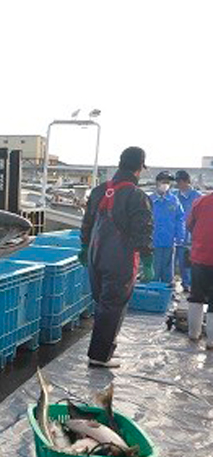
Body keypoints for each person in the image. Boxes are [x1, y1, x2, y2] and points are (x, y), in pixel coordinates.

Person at [79, 146, 154, 368]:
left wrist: (84, 248)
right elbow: (143, 230)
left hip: (96, 256)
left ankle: (105, 350)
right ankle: (100, 356)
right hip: (119, 258)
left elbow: (87, 224)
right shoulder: (136, 195)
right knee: (113, 306)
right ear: (140, 167)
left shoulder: (99, 190)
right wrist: (148, 260)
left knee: (103, 304)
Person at [187, 191, 213, 349]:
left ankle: (193, 334)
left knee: (196, 296)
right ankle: (211, 342)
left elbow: (189, 225)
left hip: (200, 257)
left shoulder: (200, 202)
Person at [149, 171, 184, 284]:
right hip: (153, 241)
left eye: (168, 182)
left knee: (168, 271)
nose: (165, 185)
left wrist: (180, 236)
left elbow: (180, 219)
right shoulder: (149, 200)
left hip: (169, 241)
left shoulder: (174, 200)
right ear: (157, 183)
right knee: (153, 270)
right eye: (163, 182)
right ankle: (153, 293)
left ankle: (166, 293)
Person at [173, 170, 202, 292]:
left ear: (186, 181)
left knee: (187, 263)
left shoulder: (198, 197)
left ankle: (188, 285)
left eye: (180, 181)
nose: (178, 184)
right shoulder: (174, 195)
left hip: (191, 236)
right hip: (175, 236)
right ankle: (172, 285)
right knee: (172, 263)